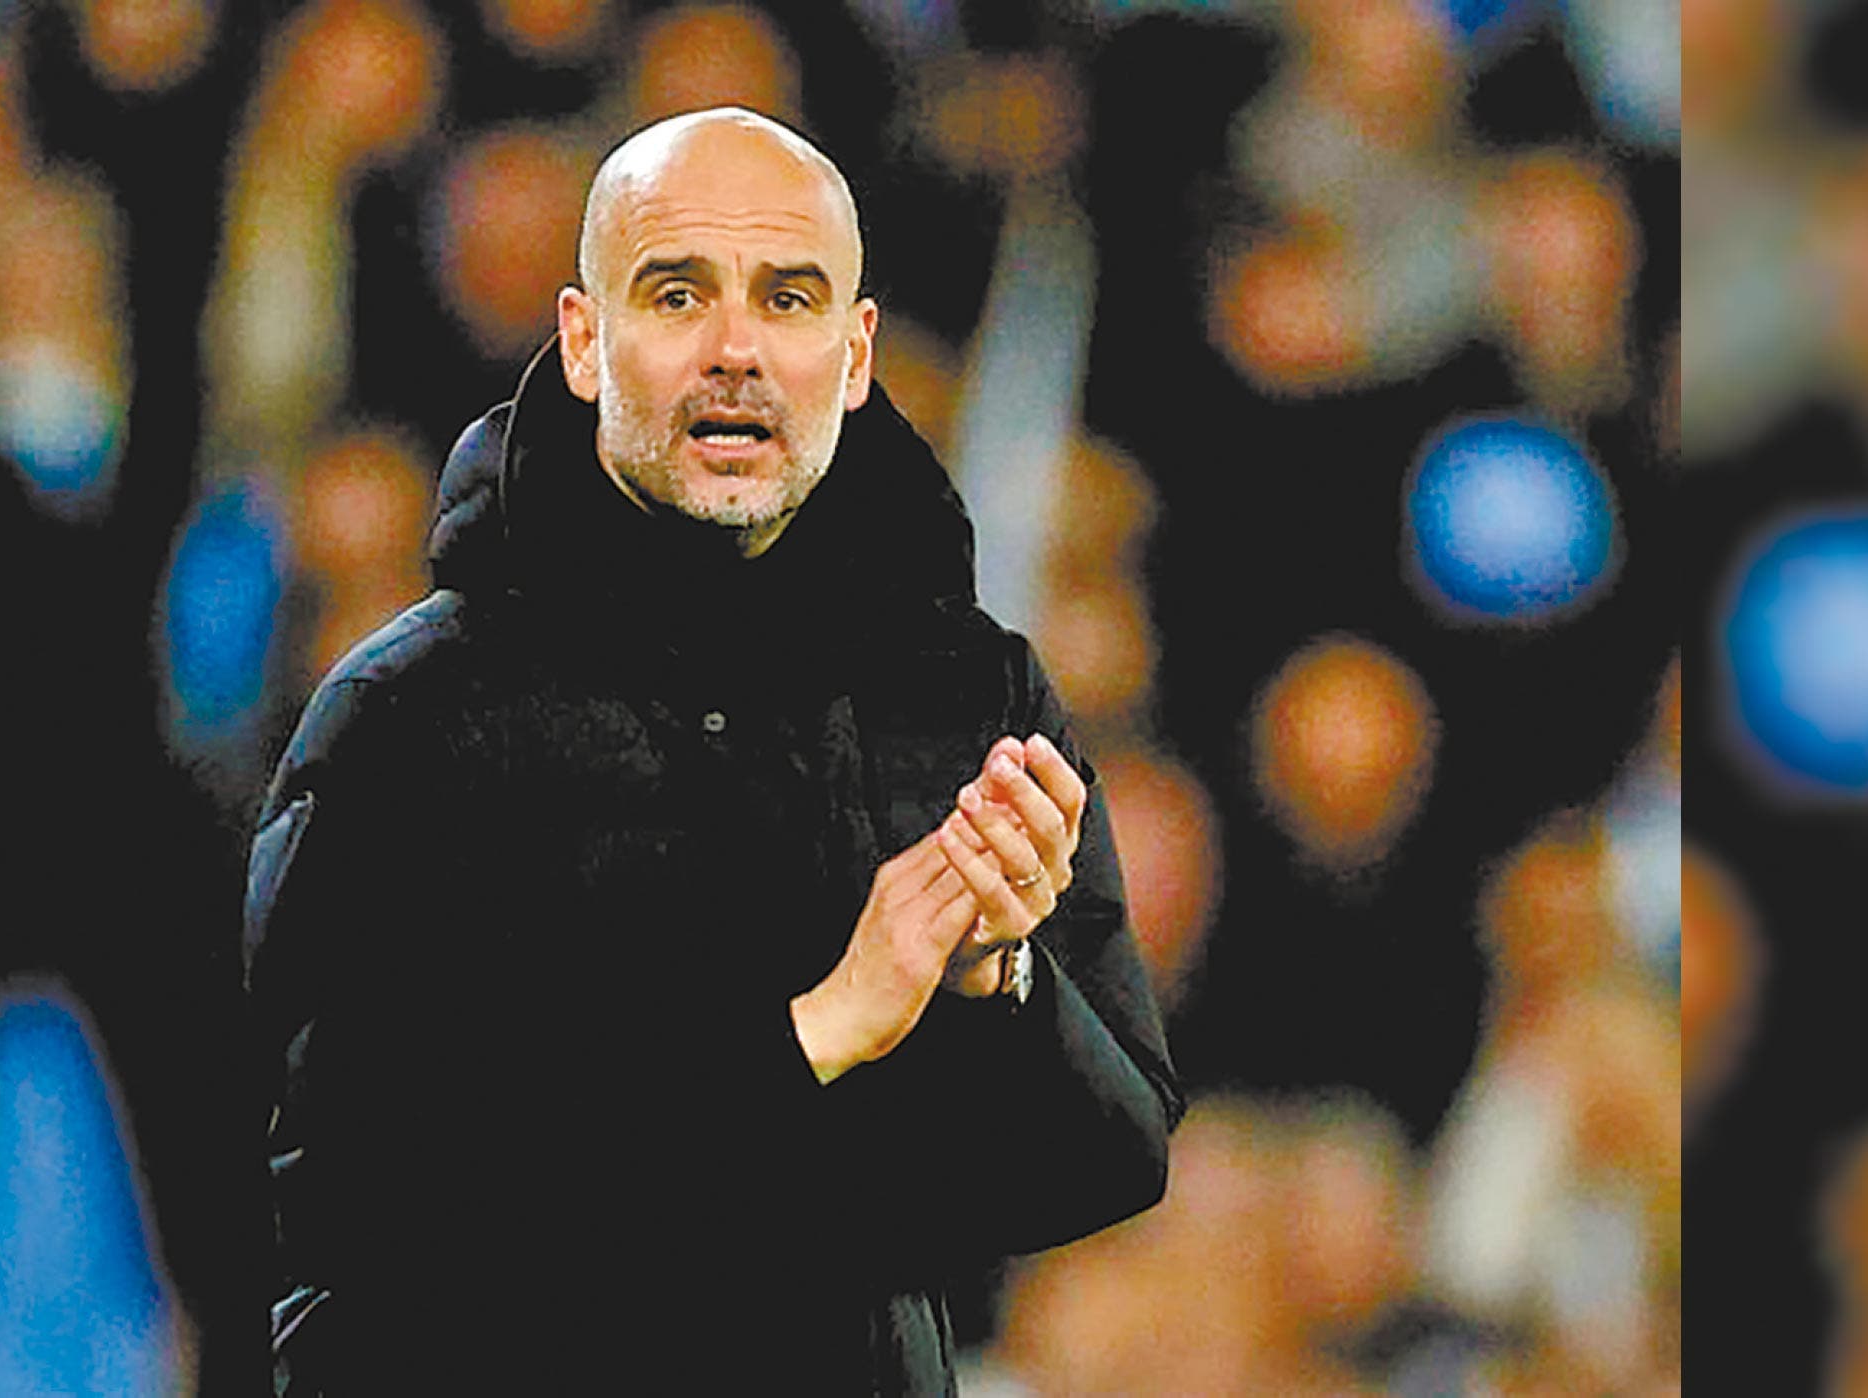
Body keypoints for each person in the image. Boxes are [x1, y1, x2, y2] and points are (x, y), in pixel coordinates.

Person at [243, 106, 1183, 1395]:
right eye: (678, 294)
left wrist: (996, 984)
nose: (736, 349)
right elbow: (373, 1239)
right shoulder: (405, 722)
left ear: (854, 355)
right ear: (585, 341)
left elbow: (1106, 1162)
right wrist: (816, 1032)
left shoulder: (965, 691)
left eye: (788, 300)